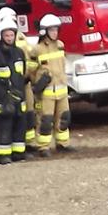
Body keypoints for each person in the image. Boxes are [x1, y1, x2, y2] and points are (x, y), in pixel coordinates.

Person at [0, 19, 31, 162]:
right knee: (4, 126)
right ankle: (3, 155)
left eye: (11, 35)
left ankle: (18, 153)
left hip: (18, 98)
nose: (9, 38)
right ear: (1, 36)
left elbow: (21, 74)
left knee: (20, 126)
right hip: (2, 100)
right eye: (7, 35)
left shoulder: (19, 53)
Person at [31, 15, 71, 152]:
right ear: (44, 31)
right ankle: (43, 147)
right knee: (45, 120)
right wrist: (36, 84)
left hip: (62, 90)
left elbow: (63, 66)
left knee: (64, 118)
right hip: (46, 92)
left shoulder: (60, 46)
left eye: (56, 29)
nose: (55, 32)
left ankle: (63, 143)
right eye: (52, 30)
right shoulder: (37, 49)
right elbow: (31, 71)